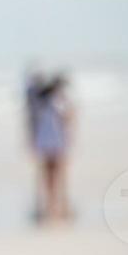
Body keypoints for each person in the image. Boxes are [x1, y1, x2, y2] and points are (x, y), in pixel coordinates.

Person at [30, 74, 73, 223]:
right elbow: (67, 119)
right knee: (58, 173)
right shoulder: (58, 102)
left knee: (47, 174)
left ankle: (50, 202)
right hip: (56, 141)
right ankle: (57, 203)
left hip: (44, 141)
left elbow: (33, 123)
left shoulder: (39, 104)